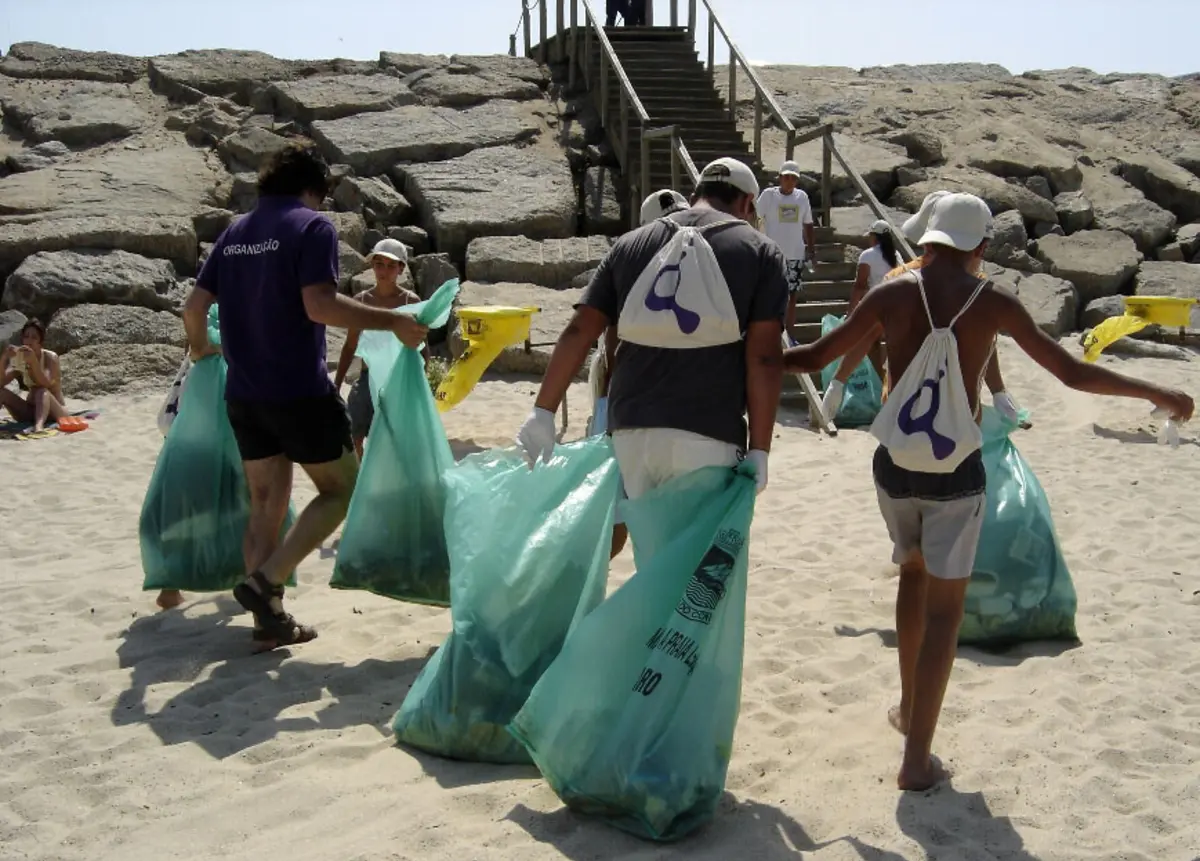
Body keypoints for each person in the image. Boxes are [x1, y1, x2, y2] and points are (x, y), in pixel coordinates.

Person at [781, 192, 1193, 792]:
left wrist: (749, 358)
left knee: (911, 576)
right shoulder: (994, 301)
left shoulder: (892, 291)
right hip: (956, 475)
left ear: (926, 241)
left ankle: (904, 707)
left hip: (896, 468)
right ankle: (918, 759)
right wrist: (1157, 392)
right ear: (979, 247)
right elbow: (1071, 373)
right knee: (946, 612)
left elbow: (816, 355)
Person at [181, 140, 428, 651]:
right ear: (313, 188)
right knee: (341, 490)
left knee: (265, 506)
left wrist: (204, 350)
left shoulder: (235, 233)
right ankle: (266, 581)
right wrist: (394, 322)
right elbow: (318, 306)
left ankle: (267, 623)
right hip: (297, 389)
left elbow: (193, 308)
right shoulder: (313, 226)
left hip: (244, 392)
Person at [518, 157, 787, 512]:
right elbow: (764, 358)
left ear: (695, 195)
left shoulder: (629, 245)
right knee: (694, 563)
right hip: (709, 430)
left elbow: (580, 330)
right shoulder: (761, 252)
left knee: (652, 553)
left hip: (632, 433)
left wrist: (544, 411)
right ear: (747, 203)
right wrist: (760, 448)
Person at [587, 187, 691, 560]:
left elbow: (607, 341)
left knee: (616, 510)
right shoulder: (693, 265)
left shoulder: (630, 262)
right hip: (655, 407)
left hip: (626, 403)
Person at [333, 238, 424, 460]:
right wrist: (336, 384)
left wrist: (422, 384)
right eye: (379, 264)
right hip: (367, 378)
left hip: (398, 381)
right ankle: (365, 479)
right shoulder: (361, 301)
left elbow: (422, 347)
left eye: (391, 265)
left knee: (394, 440)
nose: (383, 271)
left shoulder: (409, 301)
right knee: (355, 435)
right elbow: (350, 345)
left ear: (401, 269)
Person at [821, 219, 899, 417]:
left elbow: (860, 285)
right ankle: (885, 392)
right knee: (883, 351)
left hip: (876, 309)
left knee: (865, 347)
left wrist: (851, 313)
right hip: (896, 310)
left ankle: (876, 391)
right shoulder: (896, 255)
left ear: (874, 237)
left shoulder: (868, 256)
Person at [756, 160, 814, 345]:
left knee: (792, 294)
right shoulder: (768, 196)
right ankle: (769, 332)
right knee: (769, 292)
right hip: (773, 253)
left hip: (795, 253)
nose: (789, 181)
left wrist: (811, 249)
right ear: (780, 178)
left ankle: (789, 333)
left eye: (793, 178)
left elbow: (808, 223)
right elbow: (755, 217)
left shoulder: (802, 197)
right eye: (786, 177)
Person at [0, 320, 67, 433]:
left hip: (55, 411)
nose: (29, 341)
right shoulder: (21, 357)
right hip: (31, 411)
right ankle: (36, 422)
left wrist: (33, 362)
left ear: (41, 342)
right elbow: (2, 381)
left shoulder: (50, 357)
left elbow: (46, 383)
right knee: (1, 392)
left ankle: (38, 427)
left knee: (41, 391)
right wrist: (4, 359)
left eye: (34, 337)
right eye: (26, 337)